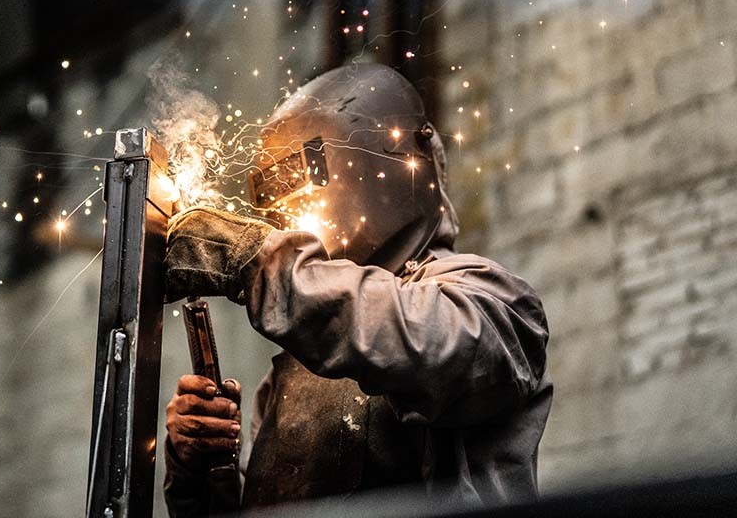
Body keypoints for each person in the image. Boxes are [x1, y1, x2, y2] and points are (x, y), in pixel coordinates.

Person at [162, 64, 552, 516]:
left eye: (307, 180)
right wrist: (202, 466)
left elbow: (416, 340)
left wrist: (254, 259)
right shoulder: (291, 373)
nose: (296, 209)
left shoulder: (494, 302)